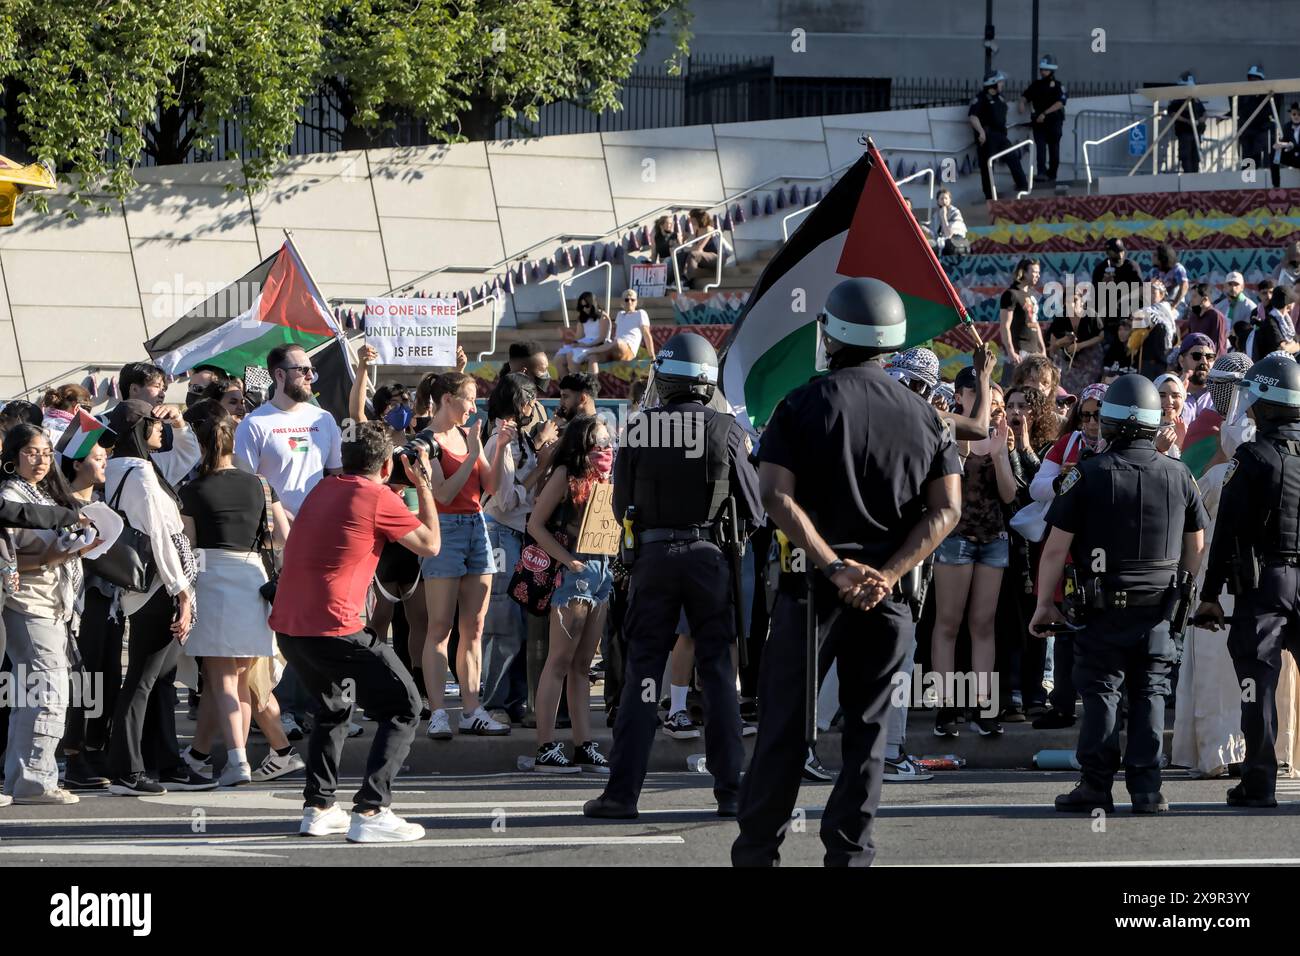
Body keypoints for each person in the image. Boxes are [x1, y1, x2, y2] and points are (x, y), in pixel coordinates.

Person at [730, 278, 962, 866]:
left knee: (784, 729)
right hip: (890, 599)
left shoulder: (802, 403)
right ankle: (850, 855)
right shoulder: (930, 418)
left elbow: (774, 497)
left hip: (813, 590)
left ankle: (758, 853)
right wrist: (886, 573)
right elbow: (948, 509)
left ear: (830, 334)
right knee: (869, 734)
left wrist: (834, 566)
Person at [583, 333, 761, 814]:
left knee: (644, 676)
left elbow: (621, 507)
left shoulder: (638, 428)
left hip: (653, 559)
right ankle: (730, 792)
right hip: (709, 558)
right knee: (719, 676)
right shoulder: (727, 429)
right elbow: (756, 508)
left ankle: (621, 795)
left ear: (666, 381)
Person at [1031, 374, 1207, 814]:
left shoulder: (1087, 475)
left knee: (1102, 694)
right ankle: (1148, 790)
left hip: (1103, 607)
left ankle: (1096, 786)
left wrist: (1044, 604)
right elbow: (1196, 546)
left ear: (1108, 422)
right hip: (1160, 609)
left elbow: (1054, 548)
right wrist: (1182, 589)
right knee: (1150, 693)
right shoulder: (1180, 474)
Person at [268, 421, 441, 842]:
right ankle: (371, 810)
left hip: (291, 626)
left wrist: (391, 497)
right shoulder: (378, 495)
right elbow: (430, 544)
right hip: (336, 627)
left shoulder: (323, 489)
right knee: (405, 706)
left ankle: (319, 807)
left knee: (335, 707)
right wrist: (426, 487)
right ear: (386, 465)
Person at [1194, 355, 1300, 808]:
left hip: (1265, 586)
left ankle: (1259, 782)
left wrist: (1210, 596)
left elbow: (1226, 534)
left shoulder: (1252, 458)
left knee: (1256, 687)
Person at [102, 400, 213, 795]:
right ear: (138, 429)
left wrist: (180, 424)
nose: (161, 428)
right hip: (159, 588)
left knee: (157, 680)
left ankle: (159, 763)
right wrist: (182, 593)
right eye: (154, 423)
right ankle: (126, 772)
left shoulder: (126, 468)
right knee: (143, 681)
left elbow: (188, 454)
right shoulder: (142, 477)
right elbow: (162, 541)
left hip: (148, 588)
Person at [180, 414, 291, 786]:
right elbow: (282, 537)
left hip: (212, 579)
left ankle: (238, 763)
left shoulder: (193, 490)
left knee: (222, 679)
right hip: (253, 578)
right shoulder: (260, 485)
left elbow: (187, 545)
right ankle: (232, 759)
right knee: (242, 679)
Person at [0, 425, 95, 805]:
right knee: (48, 690)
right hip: (28, 602)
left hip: (54, 603)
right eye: (31, 452)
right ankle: (34, 780)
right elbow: (8, 559)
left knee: (34, 692)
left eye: (45, 452)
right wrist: (58, 554)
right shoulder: (9, 494)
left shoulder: (41, 491)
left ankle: (28, 777)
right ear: (12, 454)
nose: (40, 459)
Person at [1172, 353, 1255, 778]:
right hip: (1259, 576)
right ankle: (1260, 752)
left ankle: (1221, 753)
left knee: (1219, 664)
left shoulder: (1225, 463)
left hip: (1221, 578)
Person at [419, 372, 510, 739]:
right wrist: (474, 451)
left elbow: (491, 487)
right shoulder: (427, 440)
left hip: (476, 527)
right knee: (440, 627)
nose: (474, 407)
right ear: (446, 400)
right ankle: (439, 711)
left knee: (474, 627)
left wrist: (498, 446)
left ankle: (472, 709)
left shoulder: (465, 434)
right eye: (469, 399)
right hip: (444, 530)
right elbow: (441, 493)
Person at [525, 415, 616, 773]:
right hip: (573, 574)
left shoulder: (607, 478)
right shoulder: (566, 474)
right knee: (559, 661)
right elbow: (535, 524)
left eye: (609, 440)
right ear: (583, 443)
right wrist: (568, 561)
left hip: (602, 570)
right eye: (600, 440)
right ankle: (546, 745)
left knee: (583, 665)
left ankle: (583, 743)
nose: (606, 447)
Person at [931, 382, 1017, 736]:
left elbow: (1010, 494)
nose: (993, 404)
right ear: (962, 397)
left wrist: (999, 454)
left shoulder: (1001, 436)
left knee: (983, 624)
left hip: (993, 538)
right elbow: (951, 482)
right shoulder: (948, 431)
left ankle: (983, 708)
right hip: (955, 538)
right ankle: (946, 708)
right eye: (983, 396)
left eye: (996, 400)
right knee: (948, 623)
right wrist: (969, 444)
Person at [58, 439, 116, 790]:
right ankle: (72, 755)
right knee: (81, 680)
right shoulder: (63, 505)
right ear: (77, 464)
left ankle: (94, 747)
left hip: (109, 601)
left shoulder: (104, 502)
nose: (104, 464)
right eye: (97, 459)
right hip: (79, 602)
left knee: (105, 678)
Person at [233, 344, 343, 518]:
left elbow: (338, 476)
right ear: (280, 375)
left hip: (319, 527)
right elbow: (244, 486)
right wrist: (279, 519)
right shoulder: (253, 424)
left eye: (312, 370)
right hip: (276, 535)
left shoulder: (324, 419)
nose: (310, 376)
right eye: (303, 370)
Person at [118, 362, 201, 487]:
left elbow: (189, 453)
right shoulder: (104, 425)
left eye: (163, 389)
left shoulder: (169, 426)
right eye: (157, 386)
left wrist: (178, 422)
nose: (162, 394)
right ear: (134, 389)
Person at [969, 70, 1028, 201]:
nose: (1002, 84)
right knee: (987, 167)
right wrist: (981, 132)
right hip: (988, 137)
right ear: (993, 84)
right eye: (1000, 82)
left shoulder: (1000, 98)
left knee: (1012, 157)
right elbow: (973, 117)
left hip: (1001, 135)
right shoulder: (981, 98)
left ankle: (1023, 186)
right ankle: (990, 197)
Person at [1091, 238, 1144, 367]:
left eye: (1121, 251)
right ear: (1108, 253)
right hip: (1109, 319)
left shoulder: (1130, 266)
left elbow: (1141, 289)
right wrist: (1103, 284)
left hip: (1127, 317)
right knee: (1109, 353)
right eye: (1116, 252)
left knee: (1129, 352)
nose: (1120, 255)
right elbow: (1094, 294)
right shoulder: (1101, 269)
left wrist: (1124, 298)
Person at [576, 289, 656, 371]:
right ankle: (592, 382)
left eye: (632, 300)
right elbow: (617, 334)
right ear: (622, 302)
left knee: (618, 342)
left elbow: (646, 334)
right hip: (614, 349)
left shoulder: (640, 313)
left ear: (636, 302)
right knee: (593, 358)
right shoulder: (620, 314)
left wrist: (652, 355)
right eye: (626, 300)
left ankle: (589, 350)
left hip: (628, 350)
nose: (629, 302)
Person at [1049, 278, 1104, 394]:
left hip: (1090, 360)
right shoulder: (1060, 318)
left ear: (1082, 301)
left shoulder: (1090, 315)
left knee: (1087, 390)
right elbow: (1052, 347)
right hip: (1069, 363)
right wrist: (1062, 341)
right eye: (1067, 301)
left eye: (1074, 300)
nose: (1071, 304)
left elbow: (1101, 336)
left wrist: (1079, 345)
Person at [1020, 53, 1067, 183]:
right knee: (1040, 148)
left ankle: (1052, 174)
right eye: (1041, 69)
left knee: (1054, 149)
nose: (1042, 72)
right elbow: (1026, 95)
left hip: (1053, 121)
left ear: (1051, 70)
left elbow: (1060, 103)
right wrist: (1022, 103)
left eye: (1045, 69)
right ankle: (1041, 173)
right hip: (1039, 123)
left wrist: (1045, 114)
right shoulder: (1036, 85)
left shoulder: (1057, 85)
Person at [998, 257, 1046, 374]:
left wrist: (1043, 349)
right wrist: (1011, 351)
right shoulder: (1011, 294)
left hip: (1034, 350)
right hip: (1020, 350)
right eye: (1034, 272)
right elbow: (1005, 325)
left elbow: (1035, 323)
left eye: (1038, 272)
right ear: (1023, 272)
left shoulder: (1031, 295)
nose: (1037, 275)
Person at [1129, 277, 1178, 380]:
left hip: (1160, 360)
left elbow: (1138, 316)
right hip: (1147, 359)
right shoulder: (1147, 309)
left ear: (1162, 295)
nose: (1148, 296)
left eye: (1152, 293)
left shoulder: (1164, 309)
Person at [553, 291, 611, 378]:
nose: (584, 309)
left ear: (593, 304)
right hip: (585, 343)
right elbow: (579, 336)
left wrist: (587, 345)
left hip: (598, 344)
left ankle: (578, 385)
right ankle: (567, 386)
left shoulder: (603, 316)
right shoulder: (583, 318)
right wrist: (574, 343)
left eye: (587, 306)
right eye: (582, 307)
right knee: (558, 359)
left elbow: (603, 338)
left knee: (571, 355)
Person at [1238, 65, 1276, 175]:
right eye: (1250, 78)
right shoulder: (1243, 94)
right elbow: (1239, 110)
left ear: (1261, 80)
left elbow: (1271, 111)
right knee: (1247, 156)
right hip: (1247, 131)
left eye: (1255, 78)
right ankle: (1247, 179)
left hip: (1261, 130)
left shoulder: (1268, 95)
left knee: (1261, 152)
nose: (1252, 81)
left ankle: (1265, 176)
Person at [1166, 72, 1207, 174]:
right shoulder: (1177, 100)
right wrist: (1188, 121)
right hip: (1185, 131)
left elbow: (1204, 112)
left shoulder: (1195, 99)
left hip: (1196, 131)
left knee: (1195, 155)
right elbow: (1172, 113)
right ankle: (1188, 174)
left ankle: (1195, 174)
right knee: (1186, 154)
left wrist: (1202, 119)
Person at [1252, 286, 1299, 360]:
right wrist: (1294, 345)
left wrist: (1293, 346)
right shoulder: (1270, 322)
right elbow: (1282, 350)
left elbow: (1297, 343)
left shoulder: (1286, 320)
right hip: (1273, 365)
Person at [1153, 373, 1188, 458]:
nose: (1169, 401)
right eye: (1162, 395)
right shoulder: (1142, 432)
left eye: (1175, 396)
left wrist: (1183, 445)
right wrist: (1156, 449)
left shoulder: (1189, 431)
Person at [1151, 244, 1189, 318]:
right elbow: (1145, 287)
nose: (1152, 257)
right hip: (1159, 307)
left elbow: (1185, 286)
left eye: (1155, 255)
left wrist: (1173, 306)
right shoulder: (1154, 271)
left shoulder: (1177, 269)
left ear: (1162, 257)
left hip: (1177, 307)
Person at [1214, 274, 1255, 342]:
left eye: (1236, 284)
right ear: (1225, 286)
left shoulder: (1250, 307)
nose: (1233, 288)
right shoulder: (1219, 307)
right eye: (1230, 284)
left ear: (1242, 287)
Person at [930, 188, 969, 256]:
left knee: (948, 244)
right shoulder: (935, 215)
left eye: (946, 198)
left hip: (957, 241)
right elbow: (934, 234)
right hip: (940, 242)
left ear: (950, 200)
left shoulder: (955, 212)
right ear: (938, 201)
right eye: (941, 199)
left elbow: (949, 234)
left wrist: (943, 217)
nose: (944, 201)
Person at [1272, 103, 1300, 188]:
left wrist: (1292, 145)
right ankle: (1276, 185)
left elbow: (1292, 144)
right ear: (1290, 115)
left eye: (1299, 114)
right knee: (1275, 153)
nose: (1296, 116)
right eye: (1294, 114)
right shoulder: (1287, 126)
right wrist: (1279, 144)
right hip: (1292, 157)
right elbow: (1285, 141)